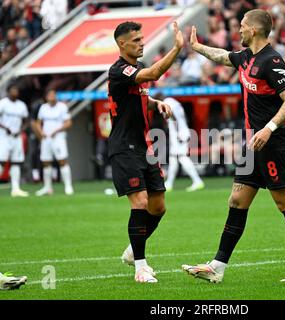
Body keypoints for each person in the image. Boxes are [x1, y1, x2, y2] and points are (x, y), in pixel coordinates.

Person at [182, 9, 285, 283]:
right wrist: (197, 47)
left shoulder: (272, 61)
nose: (239, 29)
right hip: (251, 145)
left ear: (254, 30)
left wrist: (269, 129)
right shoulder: (246, 57)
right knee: (236, 200)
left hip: (271, 143)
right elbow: (223, 56)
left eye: (243, 26)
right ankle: (217, 267)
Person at [109, 21, 183, 283]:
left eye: (142, 39)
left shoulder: (136, 69)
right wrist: (176, 49)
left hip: (144, 147)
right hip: (123, 147)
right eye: (136, 40)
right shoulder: (119, 70)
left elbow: (139, 95)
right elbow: (153, 74)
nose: (142, 43)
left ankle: (132, 250)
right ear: (122, 44)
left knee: (158, 207)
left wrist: (155, 103)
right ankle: (141, 267)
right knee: (140, 203)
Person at [154, 93, 204, 192]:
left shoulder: (166, 103)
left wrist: (177, 132)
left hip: (178, 134)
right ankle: (169, 183)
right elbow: (183, 116)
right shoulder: (174, 101)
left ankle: (197, 181)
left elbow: (173, 117)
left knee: (182, 157)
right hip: (180, 131)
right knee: (173, 158)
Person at [32, 89, 74, 196]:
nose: (51, 97)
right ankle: (47, 187)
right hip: (46, 138)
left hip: (58, 137)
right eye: (49, 95)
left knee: (62, 160)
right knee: (46, 162)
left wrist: (58, 130)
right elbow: (38, 123)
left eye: (53, 95)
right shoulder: (43, 107)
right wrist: (41, 132)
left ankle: (68, 186)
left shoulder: (62, 107)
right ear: (46, 97)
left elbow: (69, 123)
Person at [0, 84, 30, 197]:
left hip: (16, 137)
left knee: (16, 162)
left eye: (17, 90)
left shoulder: (21, 105)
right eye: (13, 90)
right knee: (2, 161)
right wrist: (5, 128)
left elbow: (26, 120)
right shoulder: (3, 103)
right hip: (4, 137)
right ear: (8, 92)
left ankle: (15, 188)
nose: (15, 92)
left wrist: (21, 130)